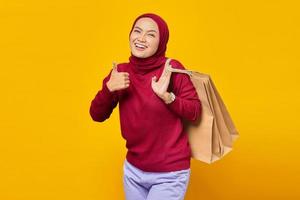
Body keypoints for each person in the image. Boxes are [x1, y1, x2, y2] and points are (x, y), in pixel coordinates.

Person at [89, 13, 201, 200]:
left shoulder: (171, 69)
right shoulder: (120, 73)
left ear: (161, 41)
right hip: (133, 171)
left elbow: (195, 111)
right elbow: (96, 114)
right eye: (137, 31)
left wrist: (168, 97)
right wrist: (109, 89)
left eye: (150, 34)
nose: (141, 38)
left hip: (169, 173)